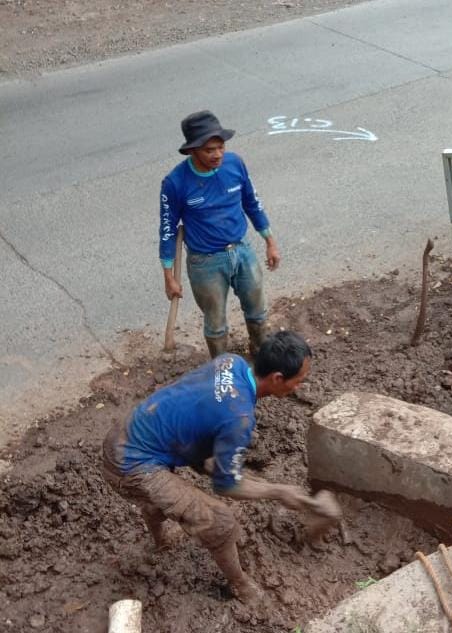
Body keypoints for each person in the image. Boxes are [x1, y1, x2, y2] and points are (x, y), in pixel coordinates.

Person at [102, 331, 340, 608]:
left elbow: (204, 409)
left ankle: (161, 541)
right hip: (131, 464)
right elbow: (225, 486)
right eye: (299, 381)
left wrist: (213, 461)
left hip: (130, 431)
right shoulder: (239, 417)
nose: (299, 388)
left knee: (162, 497)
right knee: (222, 523)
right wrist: (278, 490)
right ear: (277, 378)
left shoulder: (231, 362)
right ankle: (240, 584)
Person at [159, 110, 281, 358]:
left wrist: (269, 241)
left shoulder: (235, 164)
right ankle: (221, 369)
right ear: (192, 151)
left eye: (221, 147)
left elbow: (252, 202)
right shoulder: (175, 183)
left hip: (242, 251)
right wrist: (169, 276)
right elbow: (168, 230)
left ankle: (261, 356)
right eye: (209, 150)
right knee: (215, 324)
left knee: (257, 310)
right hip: (206, 263)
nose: (217, 154)